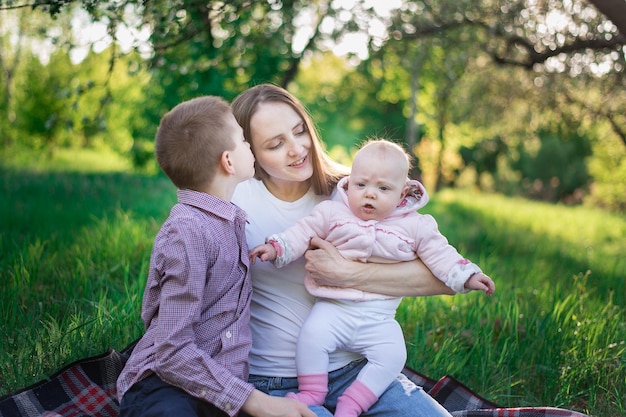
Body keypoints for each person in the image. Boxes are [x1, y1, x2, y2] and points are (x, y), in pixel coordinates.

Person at [230, 83, 460, 417]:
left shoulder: (353, 190)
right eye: (276, 144)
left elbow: (444, 278)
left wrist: (350, 274)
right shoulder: (238, 200)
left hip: (356, 371)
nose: (296, 150)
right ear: (250, 152)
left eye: (299, 132)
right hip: (273, 382)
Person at [248, 139, 495, 417]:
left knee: (393, 355)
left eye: (383, 188)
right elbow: (301, 232)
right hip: (334, 309)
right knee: (312, 338)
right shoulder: (332, 212)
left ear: (403, 193)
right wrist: (277, 247)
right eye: (361, 185)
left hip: (378, 319)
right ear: (349, 182)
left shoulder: (416, 225)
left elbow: (441, 254)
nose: (370, 195)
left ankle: (353, 403)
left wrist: (469, 275)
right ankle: (312, 392)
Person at [115, 95, 315, 417]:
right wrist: (256, 401)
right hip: (166, 386)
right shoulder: (189, 232)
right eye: (242, 139)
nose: (249, 145)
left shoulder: (230, 220)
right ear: (228, 162)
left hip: (222, 389)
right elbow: (171, 351)